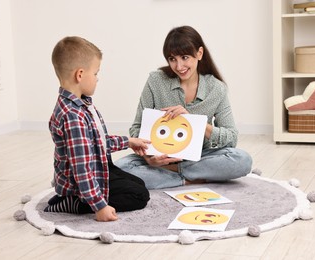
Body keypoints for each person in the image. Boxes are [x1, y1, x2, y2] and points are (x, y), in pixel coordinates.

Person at [115, 25, 253, 189]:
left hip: (201, 157)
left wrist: (195, 123)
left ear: (199, 53)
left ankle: (170, 174)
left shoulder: (216, 88)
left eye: (185, 57)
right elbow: (137, 128)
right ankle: (190, 180)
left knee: (243, 160)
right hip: (159, 157)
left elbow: (231, 138)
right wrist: (149, 158)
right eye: (172, 59)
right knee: (120, 169)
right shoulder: (155, 81)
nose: (179, 66)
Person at [45, 36, 150, 222]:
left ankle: (75, 197)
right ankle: (73, 202)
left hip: (99, 167)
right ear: (80, 74)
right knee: (139, 196)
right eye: (95, 73)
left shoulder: (81, 105)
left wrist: (128, 141)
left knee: (138, 184)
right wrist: (99, 206)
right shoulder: (73, 116)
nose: (97, 78)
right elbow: (81, 169)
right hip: (80, 183)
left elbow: (98, 142)